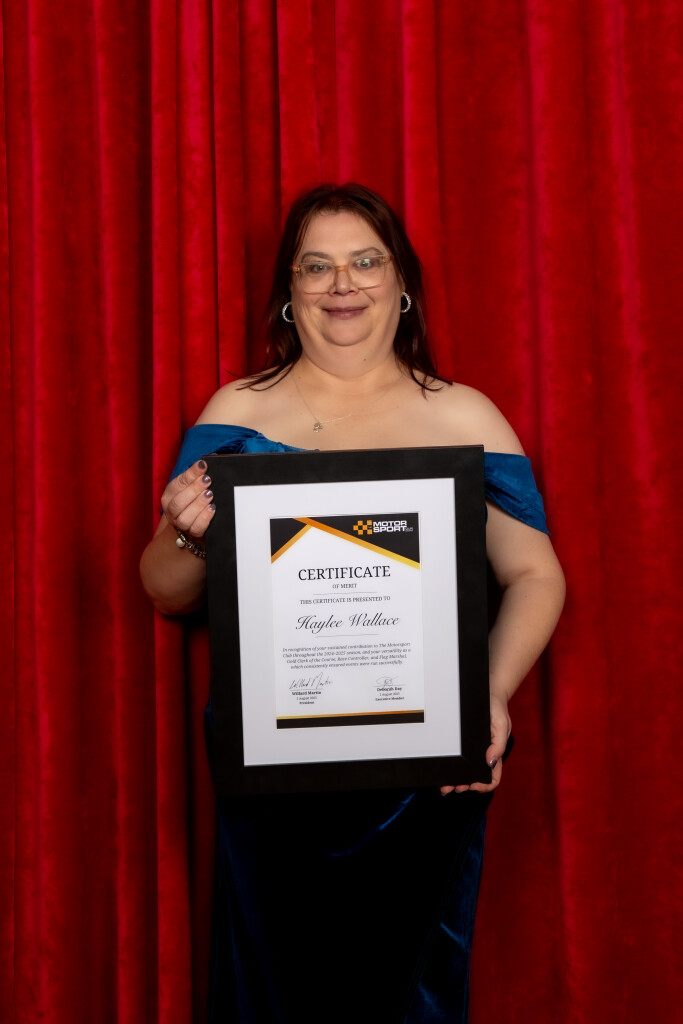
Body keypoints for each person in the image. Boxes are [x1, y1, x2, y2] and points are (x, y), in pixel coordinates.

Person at [140, 183, 565, 1023]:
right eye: (317, 266)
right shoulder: (238, 412)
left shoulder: (462, 414)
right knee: (274, 988)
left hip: (423, 777)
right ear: (288, 291)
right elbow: (164, 591)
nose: (343, 283)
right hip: (273, 772)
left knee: (408, 991)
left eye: (366, 261)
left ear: (400, 283)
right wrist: (188, 534)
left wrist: (488, 696)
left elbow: (535, 575)